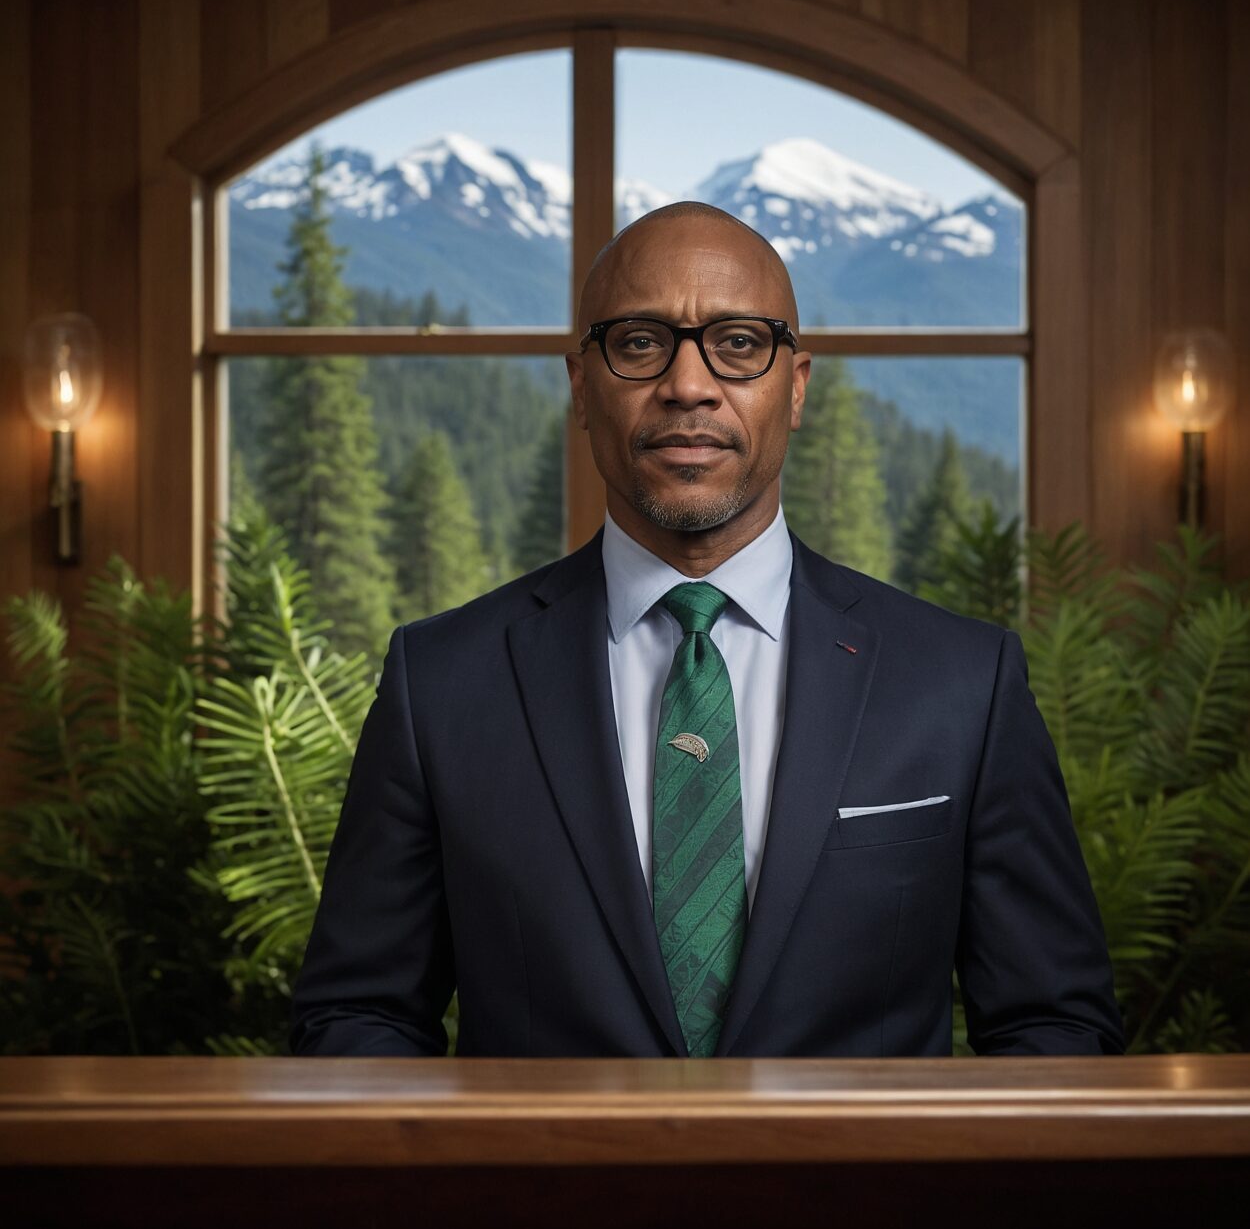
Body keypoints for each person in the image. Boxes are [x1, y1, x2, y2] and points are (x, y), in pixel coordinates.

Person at [290, 203, 1124, 1058]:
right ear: (582, 386)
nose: (688, 385)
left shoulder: (962, 683)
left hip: (873, 1195)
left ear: (795, 388)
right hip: (540, 1192)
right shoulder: (443, 683)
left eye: (738, 342)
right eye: (641, 342)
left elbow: (1052, 1023)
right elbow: (361, 1016)